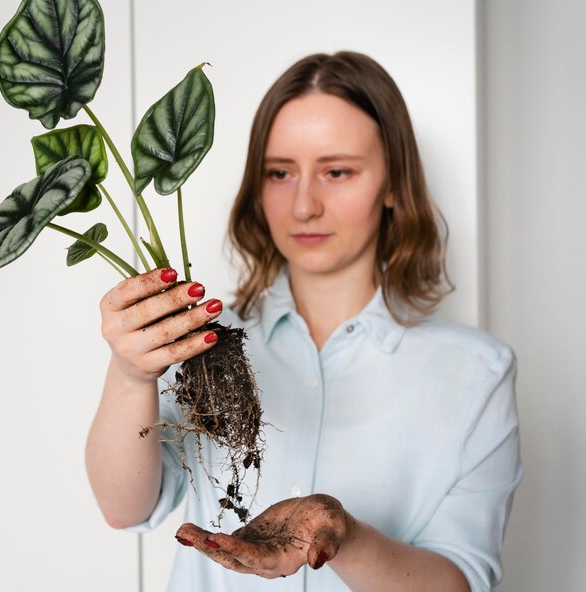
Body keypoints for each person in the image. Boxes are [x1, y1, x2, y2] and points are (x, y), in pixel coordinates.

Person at [85, 51, 522, 592]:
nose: (304, 206)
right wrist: (131, 374)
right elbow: (126, 507)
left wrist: (342, 533)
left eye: (337, 171)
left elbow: (461, 579)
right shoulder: (200, 340)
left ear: (392, 183)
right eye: (280, 173)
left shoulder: (476, 372)